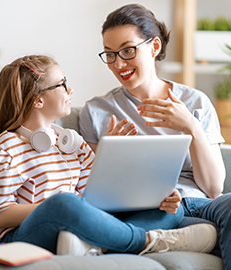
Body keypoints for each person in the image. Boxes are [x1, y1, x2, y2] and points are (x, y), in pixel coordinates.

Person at [0, 55, 216, 257]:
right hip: (25, 236)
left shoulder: (70, 142)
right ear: (38, 99)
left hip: (77, 225)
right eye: (61, 84)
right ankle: (146, 242)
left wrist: (112, 158)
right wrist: (60, 206)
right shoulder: (6, 148)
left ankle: (96, 245)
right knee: (63, 202)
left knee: (169, 205)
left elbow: (95, 196)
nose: (70, 90)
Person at [79, 3, 231, 268]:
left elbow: (214, 187)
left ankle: (143, 240)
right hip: (149, 209)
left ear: (154, 47)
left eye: (128, 50)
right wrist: (110, 154)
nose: (119, 63)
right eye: (110, 54)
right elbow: (93, 192)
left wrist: (191, 127)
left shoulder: (195, 101)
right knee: (196, 228)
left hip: (198, 202)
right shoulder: (97, 111)